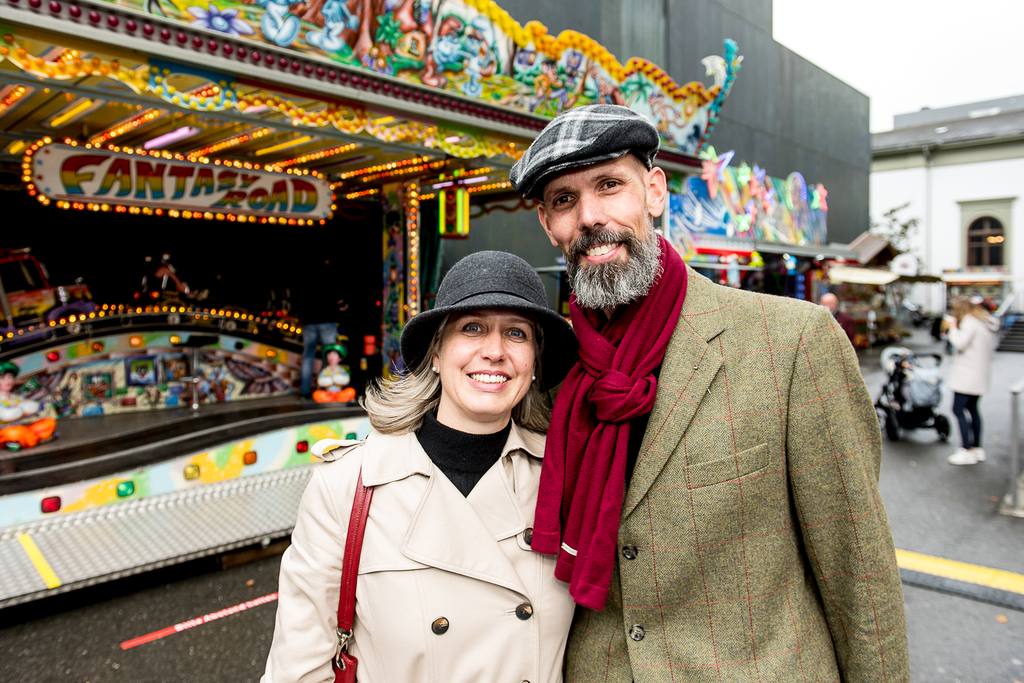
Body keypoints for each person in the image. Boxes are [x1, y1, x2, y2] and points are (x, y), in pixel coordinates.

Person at [508, 104, 910, 682]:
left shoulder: (791, 342)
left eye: (609, 185)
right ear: (549, 225)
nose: (590, 216)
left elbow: (859, 571)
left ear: (654, 192)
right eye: (564, 200)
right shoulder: (554, 372)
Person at [262, 251, 580, 682]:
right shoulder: (346, 486)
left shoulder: (568, 478)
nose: (494, 351)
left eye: (517, 334)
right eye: (473, 328)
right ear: (434, 353)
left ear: (535, 363)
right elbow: (298, 670)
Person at [944, 296, 1000, 465]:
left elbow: (960, 343)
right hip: (980, 373)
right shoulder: (984, 321)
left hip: (966, 375)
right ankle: (977, 448)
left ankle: (966, 449)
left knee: (958, 409)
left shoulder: (969, 321)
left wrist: (953, 328)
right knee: (973, 409)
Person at [290, 257, 349, 399]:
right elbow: (337, 292)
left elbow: (296, 295)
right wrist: (343, 305)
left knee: (308, 355)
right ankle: (325, 388)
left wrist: (299, 316)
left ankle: (304, 391)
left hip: (308, 320)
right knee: (328, 355)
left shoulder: (303, 273)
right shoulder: (328, 272)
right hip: (327, 319)